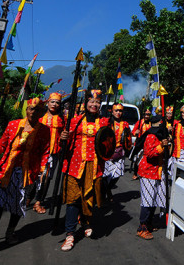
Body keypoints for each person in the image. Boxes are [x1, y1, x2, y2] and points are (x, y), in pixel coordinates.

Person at [0, 98, 50, 251]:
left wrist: (43, 170)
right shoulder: (13, 125)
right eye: (31, 109)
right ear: (26, 109)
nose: (33, 112)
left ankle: (10, 233)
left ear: (42, 113)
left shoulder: (44, 130)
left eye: (37, 110)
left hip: (26, 173)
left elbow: (45, 152)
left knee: (17, 206)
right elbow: (1, 144)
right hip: (5, 169)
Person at [60, 90, 110, 251]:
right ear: (85, 103)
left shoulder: (103, 123)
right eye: (91, 101)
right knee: (73, 199)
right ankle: (70, 234)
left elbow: (108, 143)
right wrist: (63, 139)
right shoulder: (74, 121)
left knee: (89, 197)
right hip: (75, 165)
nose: (94, 104)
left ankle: (87, 222)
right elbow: (64, 145)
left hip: (94, 166)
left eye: (97, 102)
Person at [136, 114, 169, 240]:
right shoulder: (150, 136)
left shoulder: (162, 136)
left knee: (154, 198)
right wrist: (161, 146)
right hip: (148, 171)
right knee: (148, 200)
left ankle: (149, 223)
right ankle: (142, 227)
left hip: (159, 171)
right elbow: (149, 153)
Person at [32, 92, 65, 214]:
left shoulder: (62, 119)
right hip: (36, 152)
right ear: (48, 102)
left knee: (46, 178)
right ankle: (29, 197)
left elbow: (64, 135)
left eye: (57, 102)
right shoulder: (39, 116)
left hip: (52, 153)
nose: (55, 104)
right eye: (52, 102)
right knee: (34, 176)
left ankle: (38, 202)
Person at [102, 103, 130, 203]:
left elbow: (128, 139)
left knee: (117, 175)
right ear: (112, 111)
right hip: (106, 152)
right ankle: (104, 195)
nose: (118, 113)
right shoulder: (106, 122)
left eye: (120, 111)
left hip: (119, 152)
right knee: (104, 175)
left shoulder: (125, 124)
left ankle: (108, 189)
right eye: (116, 110)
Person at [130, 108, 152, 180]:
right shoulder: (139, 122)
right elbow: (133, 132)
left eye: (148, 115)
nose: (147, 116)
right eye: (146, 114)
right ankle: (135, 173)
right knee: (137, 158)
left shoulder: (151, 123)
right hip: (139, 143)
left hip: (148, 144)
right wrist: (135, 132)